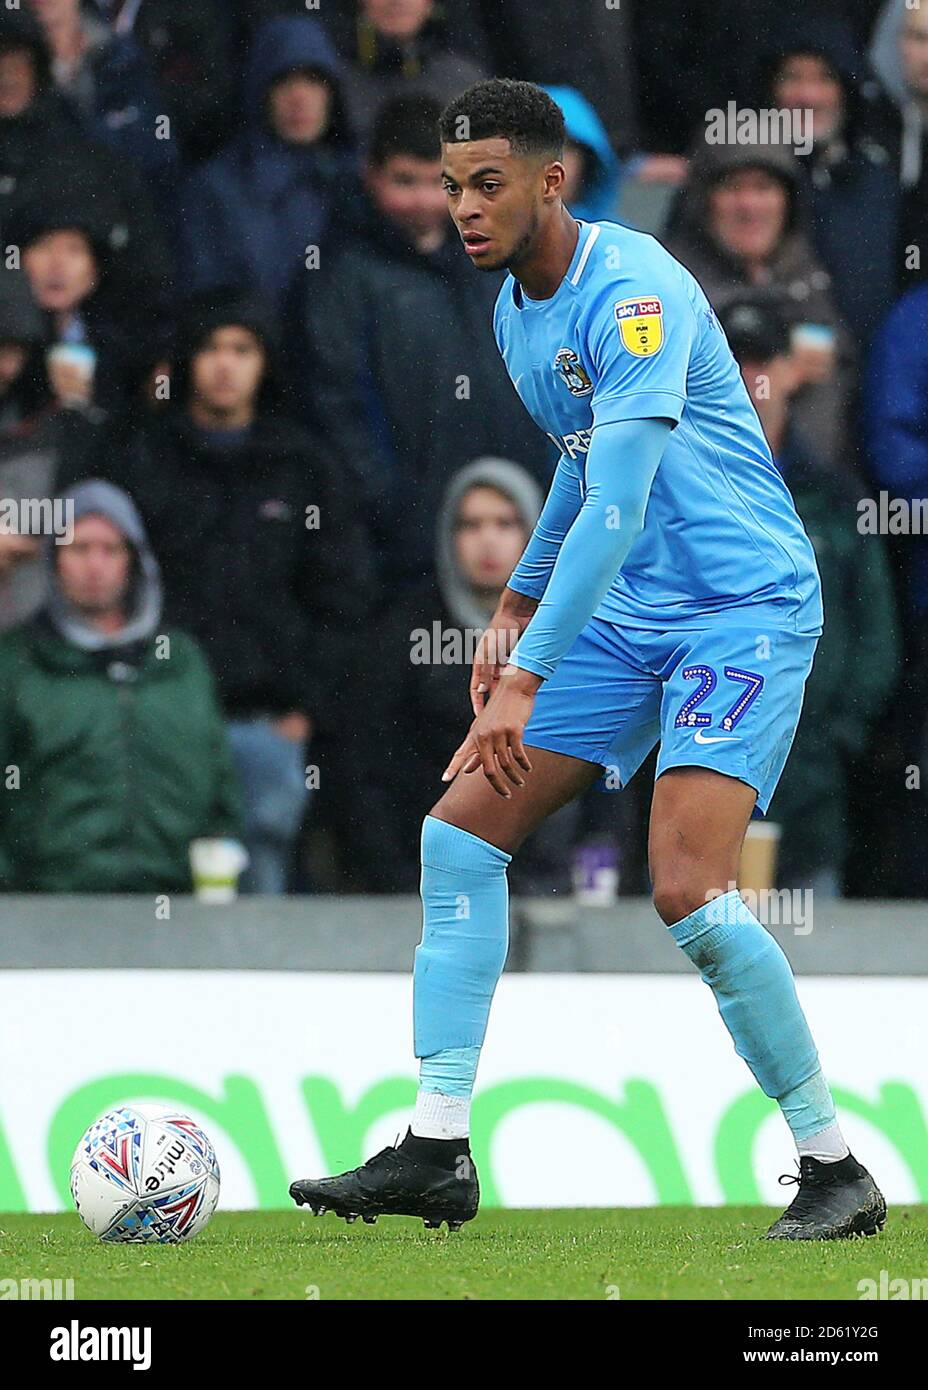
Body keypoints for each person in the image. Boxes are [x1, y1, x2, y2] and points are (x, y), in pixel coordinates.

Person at [290, 79, 886, 1241]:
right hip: (628, 609)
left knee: (687, 891)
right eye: (452, 186)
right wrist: (515, 599)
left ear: (551, 180)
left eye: (487, 184)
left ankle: (829, 1162)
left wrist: (520, 674)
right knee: (457, 834)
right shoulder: (515, 307)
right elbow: (580, 459)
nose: (463, 207)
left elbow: (617, 504)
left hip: (737, 606)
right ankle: (437, 1142)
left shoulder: (636, 291)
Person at [99, 290, 375, 893]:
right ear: (187, 362)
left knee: (260, 891)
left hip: (266, 722)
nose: (225, 364)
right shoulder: (143, 460)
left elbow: (344, 597)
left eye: (242, 349)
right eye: (211, 348)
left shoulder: (305, 467)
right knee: (151, 882)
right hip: (156, 716)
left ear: (264, 363)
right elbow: (106, 585)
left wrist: (303, 709)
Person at [288, 93, 553, 587]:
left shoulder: (500, 264)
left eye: (441, 184)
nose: (426, 201)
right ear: (371, 176)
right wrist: (392, 505)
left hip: (522, 524)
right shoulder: (341, 277)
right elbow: (339, 404)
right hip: (405, 547)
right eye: (404, 181)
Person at [721, 295, 899, 895]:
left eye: (762, 359)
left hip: (812, 776)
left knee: (816, 950)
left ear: (793, 370)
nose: (750, 378)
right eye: (733, 360)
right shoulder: (670, 488)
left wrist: (837, 732)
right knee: (684, 940)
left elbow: (875, 630)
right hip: (700, 760)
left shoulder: (835, 495)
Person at [337, 455, 579, 895]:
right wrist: (396, 880)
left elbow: (606, 763)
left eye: (505, 524)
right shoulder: (403, 633)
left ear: (534, 534)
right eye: (471, 525)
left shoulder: (574, 630)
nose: (487, 541)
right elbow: (366, 767)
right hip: (424, 878)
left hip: (549, 883)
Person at [0, 479, 242, 892]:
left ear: (134, 560)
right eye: (79, 548)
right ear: (54, 561)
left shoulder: (180, 660)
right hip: (51, 904)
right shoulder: (16, 663)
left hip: (173, 903)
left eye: (111, 549)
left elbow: (220, 778)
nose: (95, 566)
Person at [667, 141, 854, 468]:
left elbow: (836, 380)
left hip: (802, 492)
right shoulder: (669, 280)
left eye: (764, 188)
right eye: (733, 188)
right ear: (704, 201)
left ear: (787, 202)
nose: (749, 205)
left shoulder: (808, 279)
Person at [178, 15, 356, 316]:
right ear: (260, 91)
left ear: (332, 93)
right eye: (284, 80)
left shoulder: (360, 181)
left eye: (313, 80)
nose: (299, 97)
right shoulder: (215, 190)